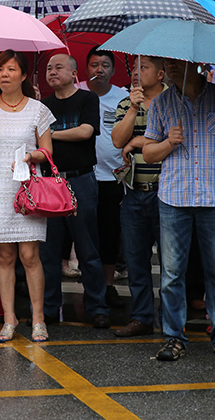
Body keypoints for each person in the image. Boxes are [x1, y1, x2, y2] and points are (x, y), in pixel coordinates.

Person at [143, 58, 215, 362]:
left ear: (198, 64)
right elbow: (148, 153)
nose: (172, 67)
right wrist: (168, 142)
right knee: (172, 273)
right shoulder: (162, 103)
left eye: (178, 63)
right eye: (168, 63)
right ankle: (174, 337)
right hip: (173, 197)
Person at [0, 50, 54, 343]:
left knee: (30, 256)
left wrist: (30, 156)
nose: (4, 74)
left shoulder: (38, 109)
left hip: (27, 188)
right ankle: (9, 319)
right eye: (0, 69)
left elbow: (48, 152)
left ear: (22, 75)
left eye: (10, 69)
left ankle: (39, 319)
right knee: (4, 256)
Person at [39, 54, 109, 327]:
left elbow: (85, 132)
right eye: (48, 68)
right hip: (50, 183)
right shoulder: (42, 105)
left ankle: (97, 307)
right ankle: (49, 308)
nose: (52, 72)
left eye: (58, 67)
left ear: (73, 72)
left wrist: (49, 135)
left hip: (81, 181)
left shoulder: (87, 99)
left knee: (88, 249)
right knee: (50, 252)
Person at [110, 55, 167, 337]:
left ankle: (170, 319)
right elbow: (118, 140)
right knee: (135, 259)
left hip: (165, 191)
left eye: (143, 68)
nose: (136, 72)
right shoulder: (126, 102)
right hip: (133, 192)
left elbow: (172, 139)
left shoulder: (173, 100)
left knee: (170, 262)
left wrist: (139, 140)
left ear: (160, 74)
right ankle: (142, 317)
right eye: (134, 68)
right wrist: (133, 110)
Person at [85, 46, 129, 309]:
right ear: (85, 68)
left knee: (109, 234)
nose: (99, 70)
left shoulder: (123, 98)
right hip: (82, 175)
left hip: (113, 176)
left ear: (113, 71)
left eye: (105, 65)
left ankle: (109, 286)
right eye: (93, 64)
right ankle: (91, 285)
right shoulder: (76, 92)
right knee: (84, 235)